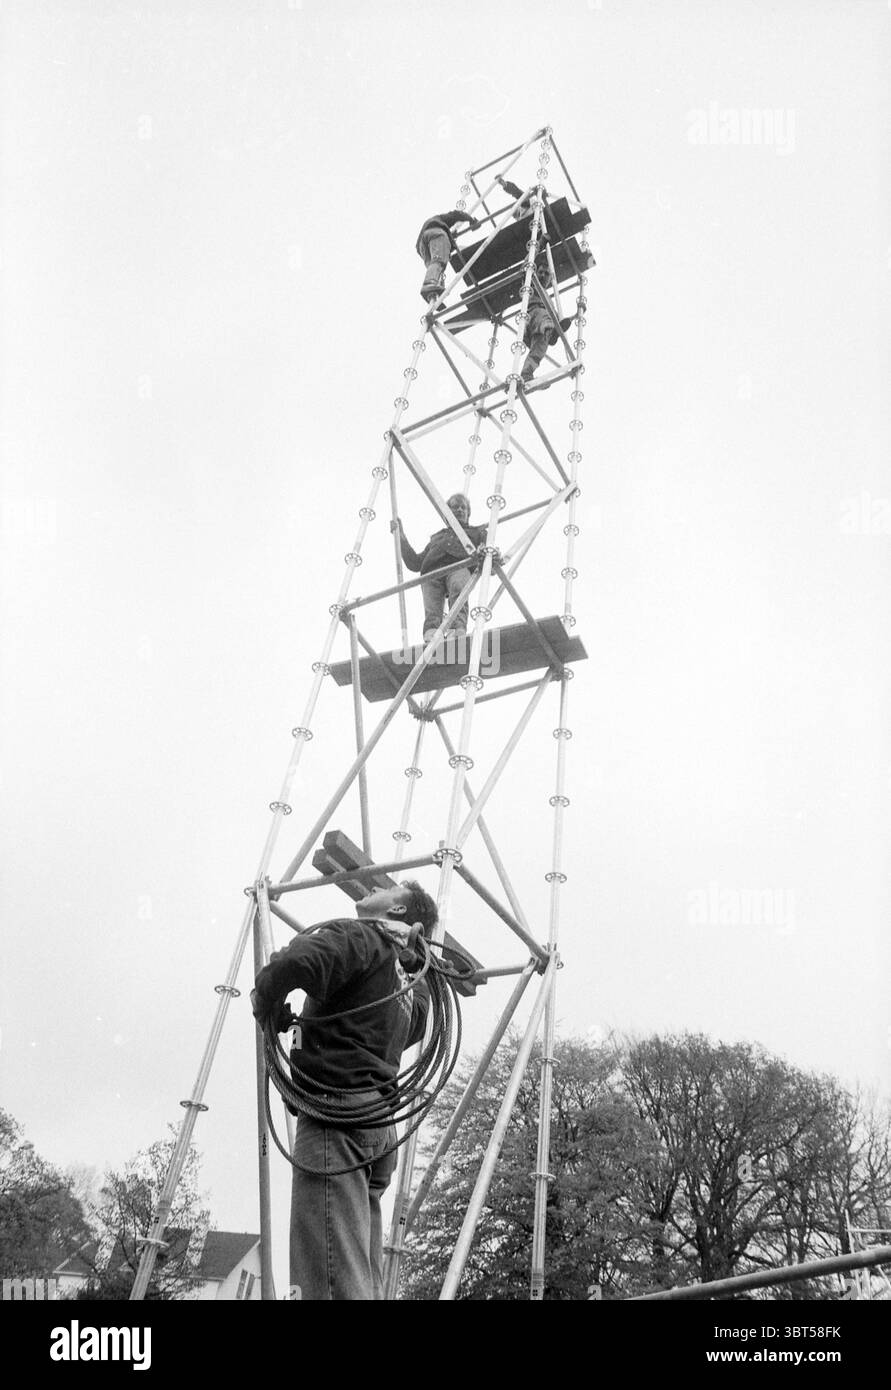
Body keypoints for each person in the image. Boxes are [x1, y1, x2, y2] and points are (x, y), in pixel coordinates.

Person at [251, 880, 439, 1301]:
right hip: (375, 1131)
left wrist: (264, 1001)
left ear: (396, 914)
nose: (376, 885)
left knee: (329, 1283)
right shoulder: (402, 979)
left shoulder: (363, 936)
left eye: (389, 888)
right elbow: (418, 1022)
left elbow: (294, 962)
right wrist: (416, 960)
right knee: (356, 1279)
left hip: (336, 1122)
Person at [393, 493, 487, 642]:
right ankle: (432, 635)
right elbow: (415, 563)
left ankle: (456, 631)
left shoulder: (477, 532)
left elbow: (488, 558)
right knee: (432, 606)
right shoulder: (437, 538)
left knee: (458, 589)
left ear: (468, 514)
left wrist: (484, 552)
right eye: (455, 507)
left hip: (459, 566)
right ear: (447, 513)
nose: (460, 510)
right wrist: (401, 537)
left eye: (463, 507)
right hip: (432, 571)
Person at [519, 263, 574, 386]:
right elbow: (526, 266)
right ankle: (526, 375)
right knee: (547, 326)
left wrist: (576, 315)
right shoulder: (530, 282)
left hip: (541, 326)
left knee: (539, 349)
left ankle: (552, 332)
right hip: (535, 316)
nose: (543, 275)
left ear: (550, 278)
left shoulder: (548, 299)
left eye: (546, 273)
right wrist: (539, 243)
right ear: (536, 272)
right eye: (541, 272)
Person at [416, 208, 479, 303]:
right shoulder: (443, 219)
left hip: (422, 246)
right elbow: (456, 214)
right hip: (435, 232)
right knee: (439, 261)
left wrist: (451, 239)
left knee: (435, 266)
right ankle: (429, 284)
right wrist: (471, 220)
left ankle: (432, 291)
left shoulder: (433, 223)